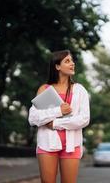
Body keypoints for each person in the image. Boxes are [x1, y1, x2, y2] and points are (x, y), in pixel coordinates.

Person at [28, 50, 90, 183]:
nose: (72, 63)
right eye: (67, 61)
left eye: (72, 61)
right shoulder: (44, 89)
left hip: (71, 145)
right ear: (57, 66)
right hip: (47, 144)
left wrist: (55, 124)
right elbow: (33, 118)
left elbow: (84, 119)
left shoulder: (79, 90)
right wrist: (59, 111)